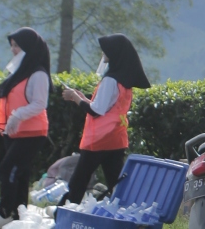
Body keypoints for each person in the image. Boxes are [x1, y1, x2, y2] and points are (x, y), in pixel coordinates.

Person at [59, 34, 151, 203]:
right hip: (116, 138)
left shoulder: (110, 80)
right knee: (116, 182)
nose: (103, 54)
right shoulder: (124, 82)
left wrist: (74, 98)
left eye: (106, 50)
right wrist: (82, 98)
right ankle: (124, 209)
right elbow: (107, 107)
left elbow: (96, 111)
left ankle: (67, 211)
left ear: (115, 53)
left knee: (79, 180)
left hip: (99, 139)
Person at [0, 29, 52, 229]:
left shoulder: (38, 74)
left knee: (7, 168)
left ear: (28, 47)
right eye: (12, 45)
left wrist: (18, 115)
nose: (13, 49)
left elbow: (40, 103)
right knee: (20, 174)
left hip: (32, 133)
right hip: (14, 132)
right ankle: (19, 215)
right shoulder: (19, 72)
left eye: (17, 45)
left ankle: (4, 213)